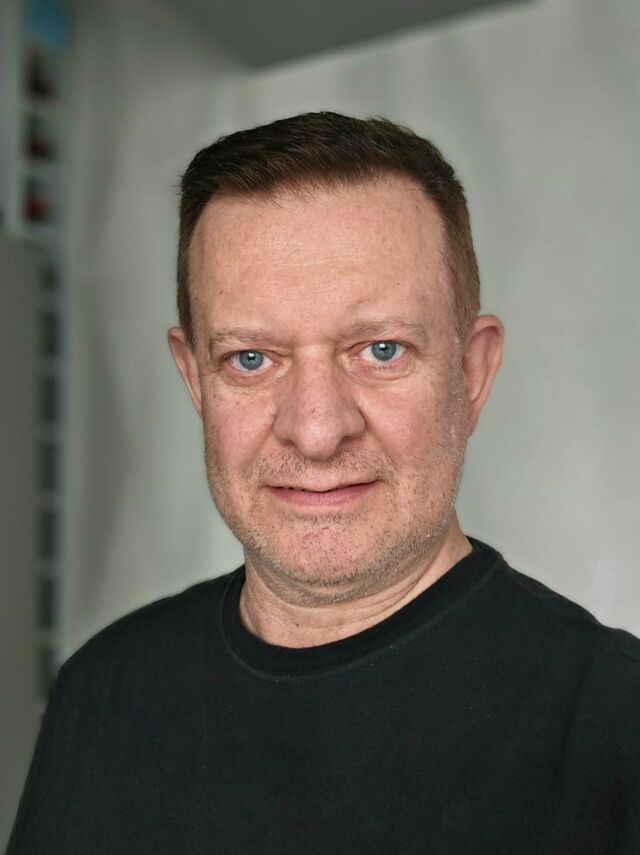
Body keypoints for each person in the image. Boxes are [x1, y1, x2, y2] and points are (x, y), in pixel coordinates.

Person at [7, 112, 639, 854]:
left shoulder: (616, 724)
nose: (315, 430)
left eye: (380, 349)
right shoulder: (103, 694)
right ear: (195, 380)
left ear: (471, 373)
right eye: (250, 359)